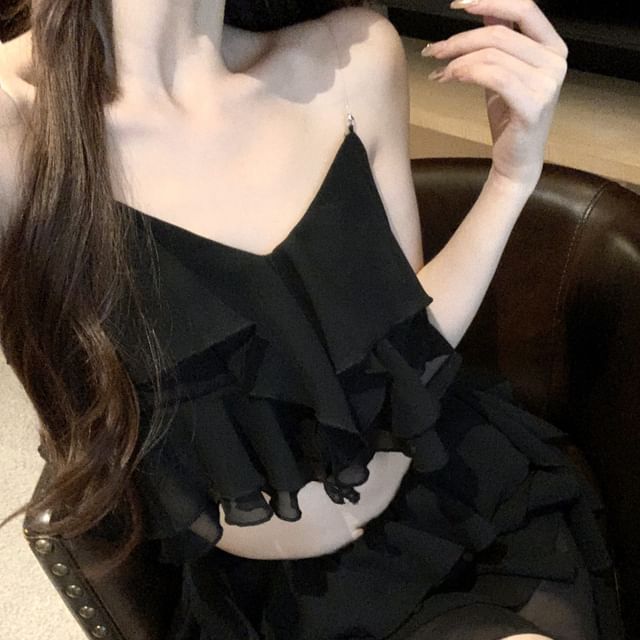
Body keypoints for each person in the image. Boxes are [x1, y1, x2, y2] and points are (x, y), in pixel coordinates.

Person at [0, 1, 625, 639]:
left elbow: (408, 352)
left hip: (459, 507)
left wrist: (513, 176)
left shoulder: (352, 56)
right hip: (277, 606)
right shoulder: (16, 126)